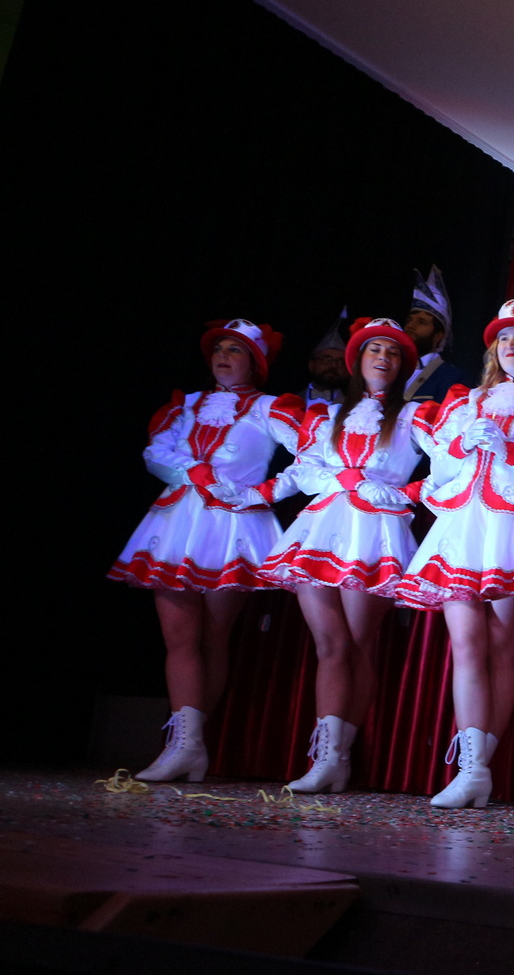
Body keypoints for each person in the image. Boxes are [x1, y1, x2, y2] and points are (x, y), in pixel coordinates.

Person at [394, 294, 514, 808]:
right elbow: (439, 473)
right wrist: (461, 445)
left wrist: (512, 453)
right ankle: (471, 767)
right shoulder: (464, 401)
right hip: (463, 528)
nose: (512, 345)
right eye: (504, 338)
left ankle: (480, 768)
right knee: (467, 646)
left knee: (502, 647)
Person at [108, 319, 302, 782]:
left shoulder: (270, 408)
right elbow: (155, 453)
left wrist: (266, 491)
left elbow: (312, 456)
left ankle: (192, 745)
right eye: (219, 348)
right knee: (179, 638)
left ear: (255, 362)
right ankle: (184, 745)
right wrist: (192, 471)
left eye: (235, 350)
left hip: (232, 525)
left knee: (214, 636)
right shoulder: (188, 405)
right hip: (177, 523)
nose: (224, 356)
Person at [258, 318, 423, 793]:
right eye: (374, 350)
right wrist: (342, 479)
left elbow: (448, 465)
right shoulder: (327, 416)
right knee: (329, 645)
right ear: (357, 360)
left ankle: (340, 755)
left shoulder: (414, 416)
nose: (383, 358)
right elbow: (305, 469)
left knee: (358, 644)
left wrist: (399, 492)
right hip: (322, 529)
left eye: (393, 352)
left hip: (374, 531)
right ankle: (325, 755)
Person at [404, 266, 470, 402]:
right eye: (409, 320)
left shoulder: (452, 376)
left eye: (421, 322)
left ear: (438, 335)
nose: (411, 325)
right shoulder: (393, 367)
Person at [304, 315, 350, 408]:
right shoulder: (286, 402)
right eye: (326, 360)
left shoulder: (355, 408)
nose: (333, 365)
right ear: (311, 365)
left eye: (340, 362)